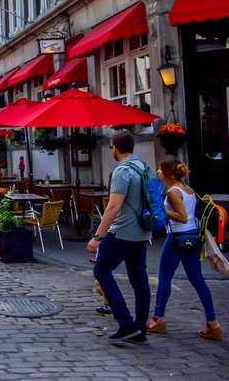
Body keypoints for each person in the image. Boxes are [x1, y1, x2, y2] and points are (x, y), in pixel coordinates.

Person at [147, 157, 221, 341]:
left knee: (164, 277)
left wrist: (161, 211)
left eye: (160, 169)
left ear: (169, 172)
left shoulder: (173, 191)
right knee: (197, 280)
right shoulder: (188, 189)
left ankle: (158, 318)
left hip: (177, 239)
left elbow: (181, 217)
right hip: (192, 239)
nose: (157, 172)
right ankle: (212, 322)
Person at [88, 130, 151, 345]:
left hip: (122, 231)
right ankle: (140, 328)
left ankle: (125, 323)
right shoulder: (142, 167)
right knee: (139, 279)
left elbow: (113, 207)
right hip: (141, 232)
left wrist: (98, 236)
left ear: (115, 147)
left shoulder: (122, 171)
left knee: (101, 270)